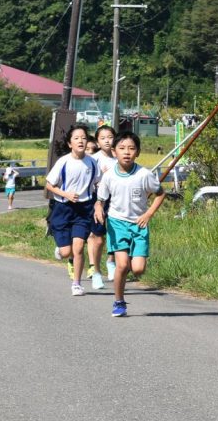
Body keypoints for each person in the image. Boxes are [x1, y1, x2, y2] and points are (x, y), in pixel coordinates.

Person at [94, 132, 165, 317]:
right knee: (122, 265)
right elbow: (100, 199)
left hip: (139, 224)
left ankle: (126, 279)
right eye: (122, 148)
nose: (127, 152)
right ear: (114, 151)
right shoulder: (109, 176)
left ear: (138, 152)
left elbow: (160, 193)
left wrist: (149, 214)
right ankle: (119, 301)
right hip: (117, 223)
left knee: (139, 269)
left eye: (131, 149)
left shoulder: (144, 174)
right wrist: (98, 208)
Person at [44, 125, 100, 296]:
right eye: (76, 138)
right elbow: (49, 185)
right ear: (70, 143)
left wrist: (99, 204)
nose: (81, 141)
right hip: (63, 208)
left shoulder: (92, 162)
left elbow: (99, 183)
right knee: (66, 251)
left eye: (83, 137)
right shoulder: (63, 162)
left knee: (78, 248)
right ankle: (60, 250)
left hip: (84, 209)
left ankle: (76, 283)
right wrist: (66, 194)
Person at [86, 124, 117, 290]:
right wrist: (101, 178)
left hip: (117, 201)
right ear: (97, 141)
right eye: (103, 138)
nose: (107, 141)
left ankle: (111, 261)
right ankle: (96, 271)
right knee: (97, 236)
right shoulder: (93, 159)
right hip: (96, 200)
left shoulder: (120, 157)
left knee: (114, 233)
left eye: (110, 137)